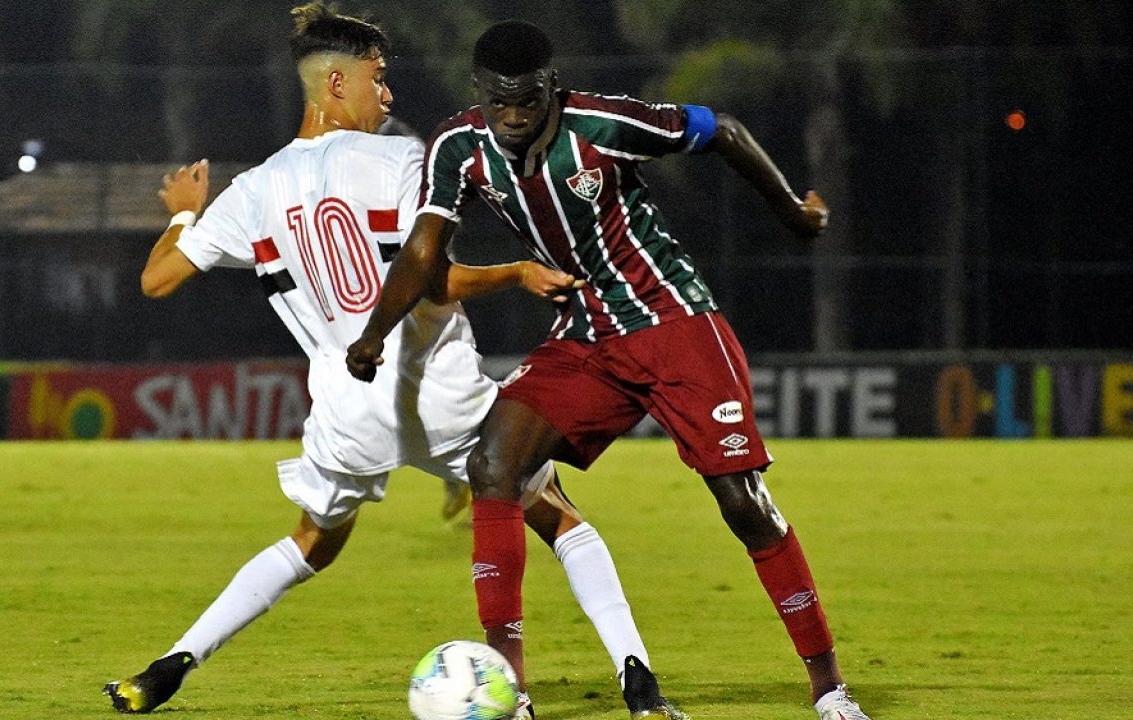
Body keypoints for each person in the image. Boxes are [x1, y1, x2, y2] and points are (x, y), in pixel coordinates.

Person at [105, 6, 671, 717]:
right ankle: (633, 676)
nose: (389, 94)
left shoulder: (252, 190)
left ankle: (169, 665)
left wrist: (186, 212)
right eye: (379, 79)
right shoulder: (405, 159)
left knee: (311, 543)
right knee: (557, 516)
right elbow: (430, 279)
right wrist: (515, 273)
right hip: (438, 389)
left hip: (348, 409)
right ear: (336, 82)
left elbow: (156, 280)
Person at [346, 19, 873, 720]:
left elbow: (724, 129)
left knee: (743, 504)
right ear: (480, 92)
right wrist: (374, 333)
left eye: (527, 103)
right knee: (494, 466)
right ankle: (509, 687)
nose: (512, 117)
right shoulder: (457, 148)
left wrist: (791, 213)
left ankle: (829, 686)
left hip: (674, 323)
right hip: (587, 336)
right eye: (499, 102)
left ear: (551, 89)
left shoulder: (602, 123)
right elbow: (423, 250)